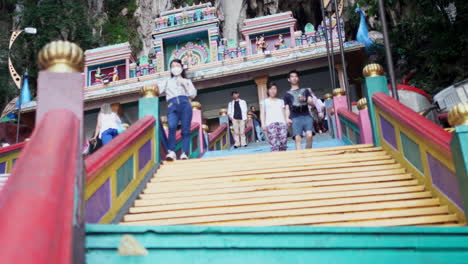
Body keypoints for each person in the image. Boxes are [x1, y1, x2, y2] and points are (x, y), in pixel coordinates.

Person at [158, 59, 197, 161]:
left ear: (181, 67)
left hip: (185, 105)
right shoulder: (167, 81)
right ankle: (171, 152)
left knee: (185, 130)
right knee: (171, 127)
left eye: (177, 65)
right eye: (172, 66)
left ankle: (184, 153)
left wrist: (184, 84)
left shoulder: (187, 81)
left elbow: (193, 94)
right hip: (172, 105)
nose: (175, 68)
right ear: (171, 69)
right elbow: (157, 90)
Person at [283, 70, 317, 150]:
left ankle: (307, 153)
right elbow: (287, 108)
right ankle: (301, 157)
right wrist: (287, 118)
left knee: (309, 135)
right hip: (295, 117)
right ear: (289, 79)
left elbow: (312, 103)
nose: (294, 78)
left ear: (298, 78)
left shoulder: (305, 91)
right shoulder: (287, 94)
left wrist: (304, 99)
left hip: (306, 115)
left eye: (295, 76)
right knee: (297, 139)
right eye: (292, 77)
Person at [261, 83, 288, 152]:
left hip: (281, 123)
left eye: (274, 89)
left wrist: (286, 121)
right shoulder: (264, 102)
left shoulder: (281, 101)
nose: (273, 91)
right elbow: (262, 113)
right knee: (273, 143)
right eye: (271, 89)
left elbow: (284, 112)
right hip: (270, 124)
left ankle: (283, 156)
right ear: (268, 90)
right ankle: (275, 158)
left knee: (283, 141)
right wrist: (263, 124)